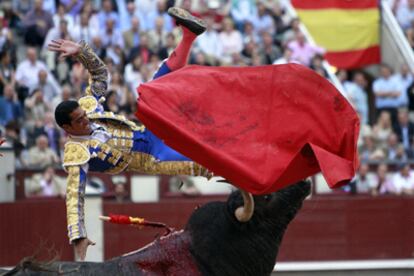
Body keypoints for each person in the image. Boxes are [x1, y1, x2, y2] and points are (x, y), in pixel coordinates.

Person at [49, 7, 210, 261]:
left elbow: (100, 75)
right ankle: (250, 177)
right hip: (149, 155)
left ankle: (189, 35)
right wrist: (78, 238)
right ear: (67, 129)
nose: (86, 121)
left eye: (84, 114)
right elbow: (74, 198)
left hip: (146, 129)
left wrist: (82, 53)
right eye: (80, 121)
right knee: (202, 161)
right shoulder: (75, 152)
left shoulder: (88, 107)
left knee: (157, 85)